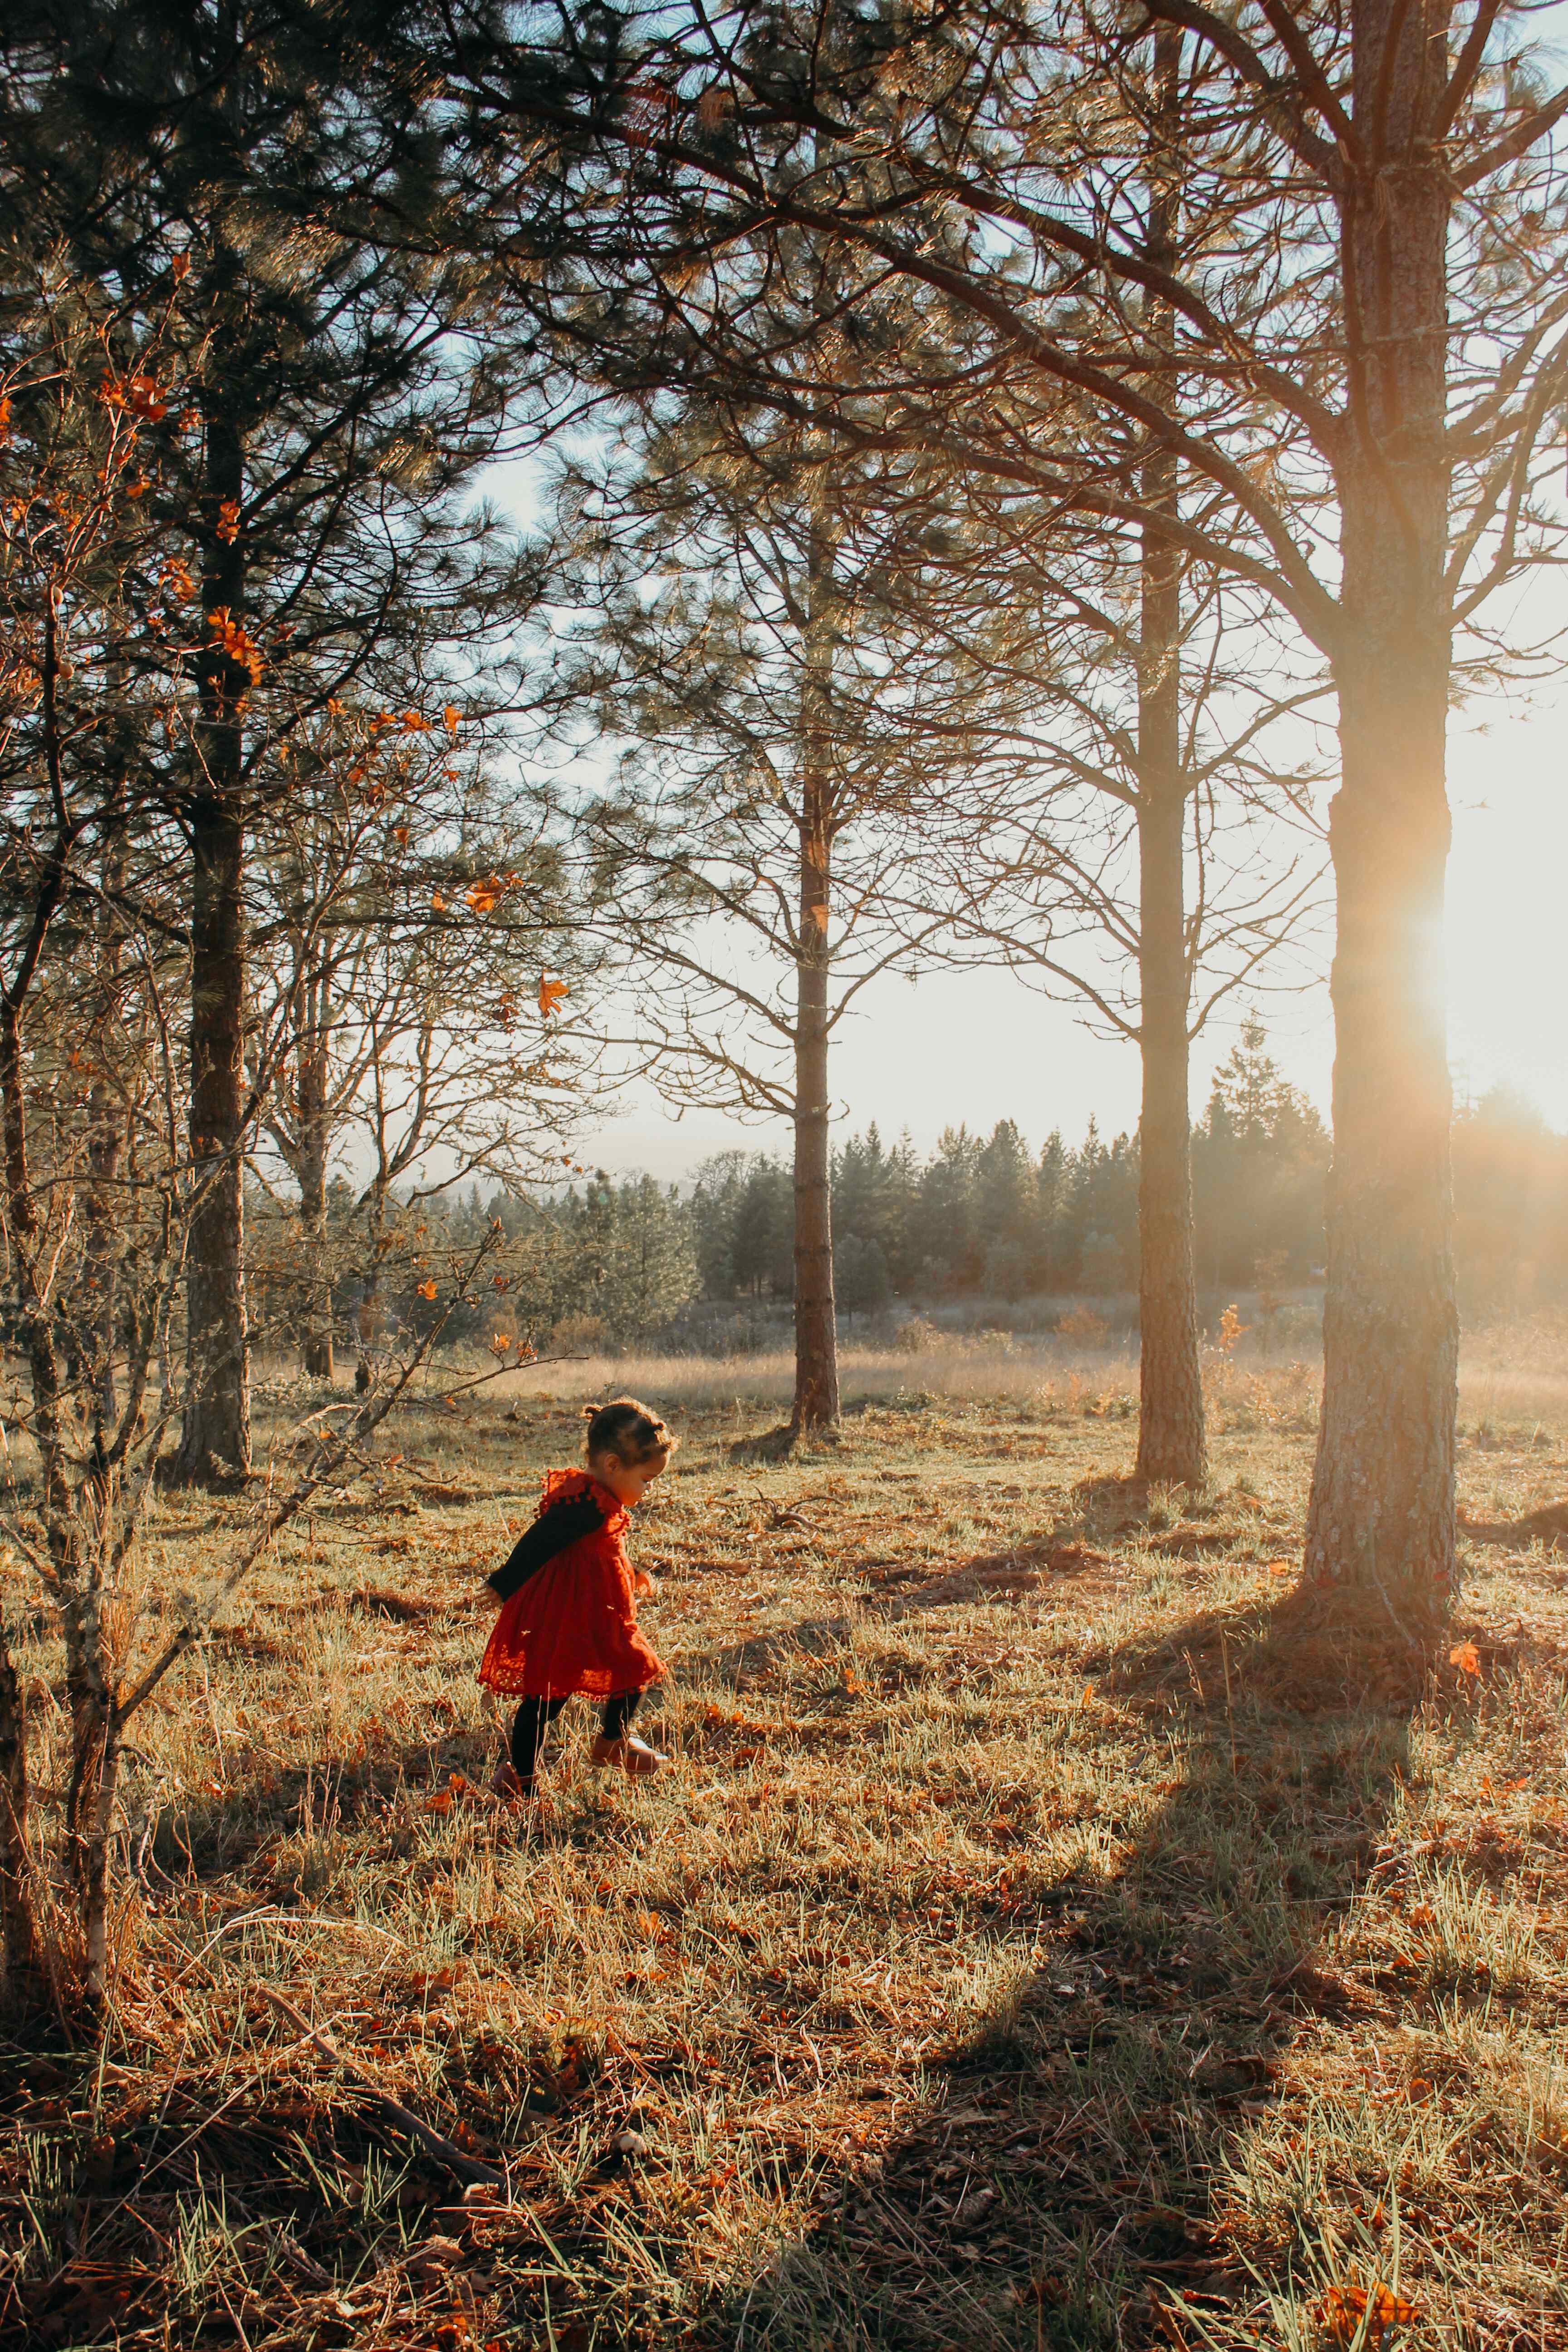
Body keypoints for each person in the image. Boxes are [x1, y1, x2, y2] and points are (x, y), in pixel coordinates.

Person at [479, 1396, 675, 1797]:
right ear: (613, 1466)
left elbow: (599, 1547)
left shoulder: (598, 1499)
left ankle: (610, 1744)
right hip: (568, 1613)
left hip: (597, 1611)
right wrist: (504, 1582)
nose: (648, 1491)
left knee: (632, 1668)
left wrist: (631, 1570)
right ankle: (521, 1776)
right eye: (647, 1480)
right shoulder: (584, 1504)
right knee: (547, 1700)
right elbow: (541, 1540)